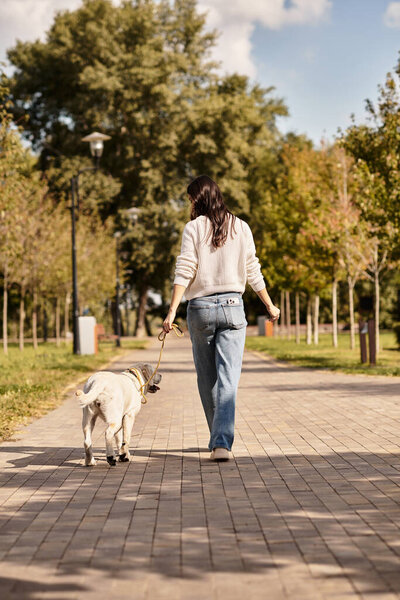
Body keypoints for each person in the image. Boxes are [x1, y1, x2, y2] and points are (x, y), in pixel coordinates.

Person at [163, 175, 280, 461]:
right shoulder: (241, 227)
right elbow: (253, 269)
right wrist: (270, 305)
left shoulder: (193, 228)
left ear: (197, 199)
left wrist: (171, 311)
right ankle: (221, 443)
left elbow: (185, 269)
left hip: (200, 309)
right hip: (232, 305)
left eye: (191, 199)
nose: (190, 204)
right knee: (229, 379)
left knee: (208, 378)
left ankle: (218, 440)